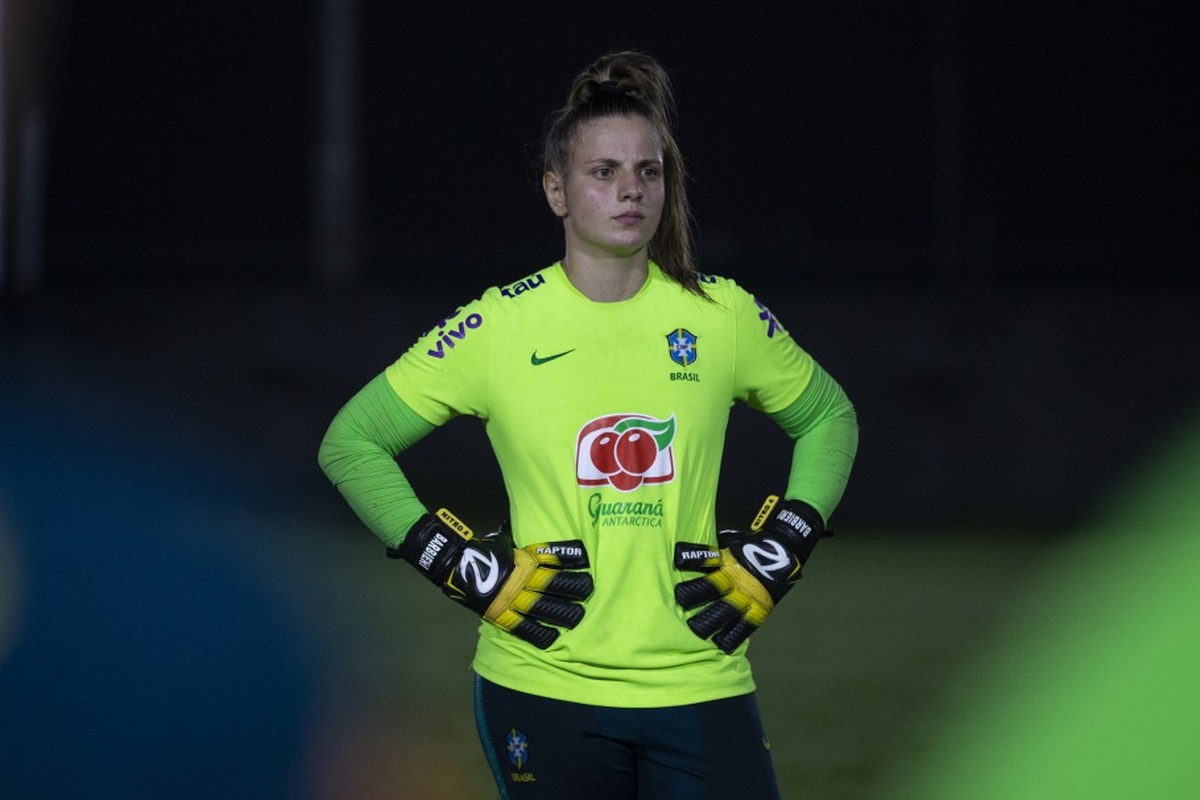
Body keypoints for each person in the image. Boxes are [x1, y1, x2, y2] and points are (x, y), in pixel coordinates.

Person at [318, 50, 859, 799]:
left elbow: (829, 415)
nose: (630, 189)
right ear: (556, 191)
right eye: (603, 172)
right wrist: (461, 566)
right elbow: (351, 442)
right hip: (541, 684)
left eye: (648, 170)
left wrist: (784, 545)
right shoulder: (497, 326)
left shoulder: (721, 316)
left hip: (700, 680)